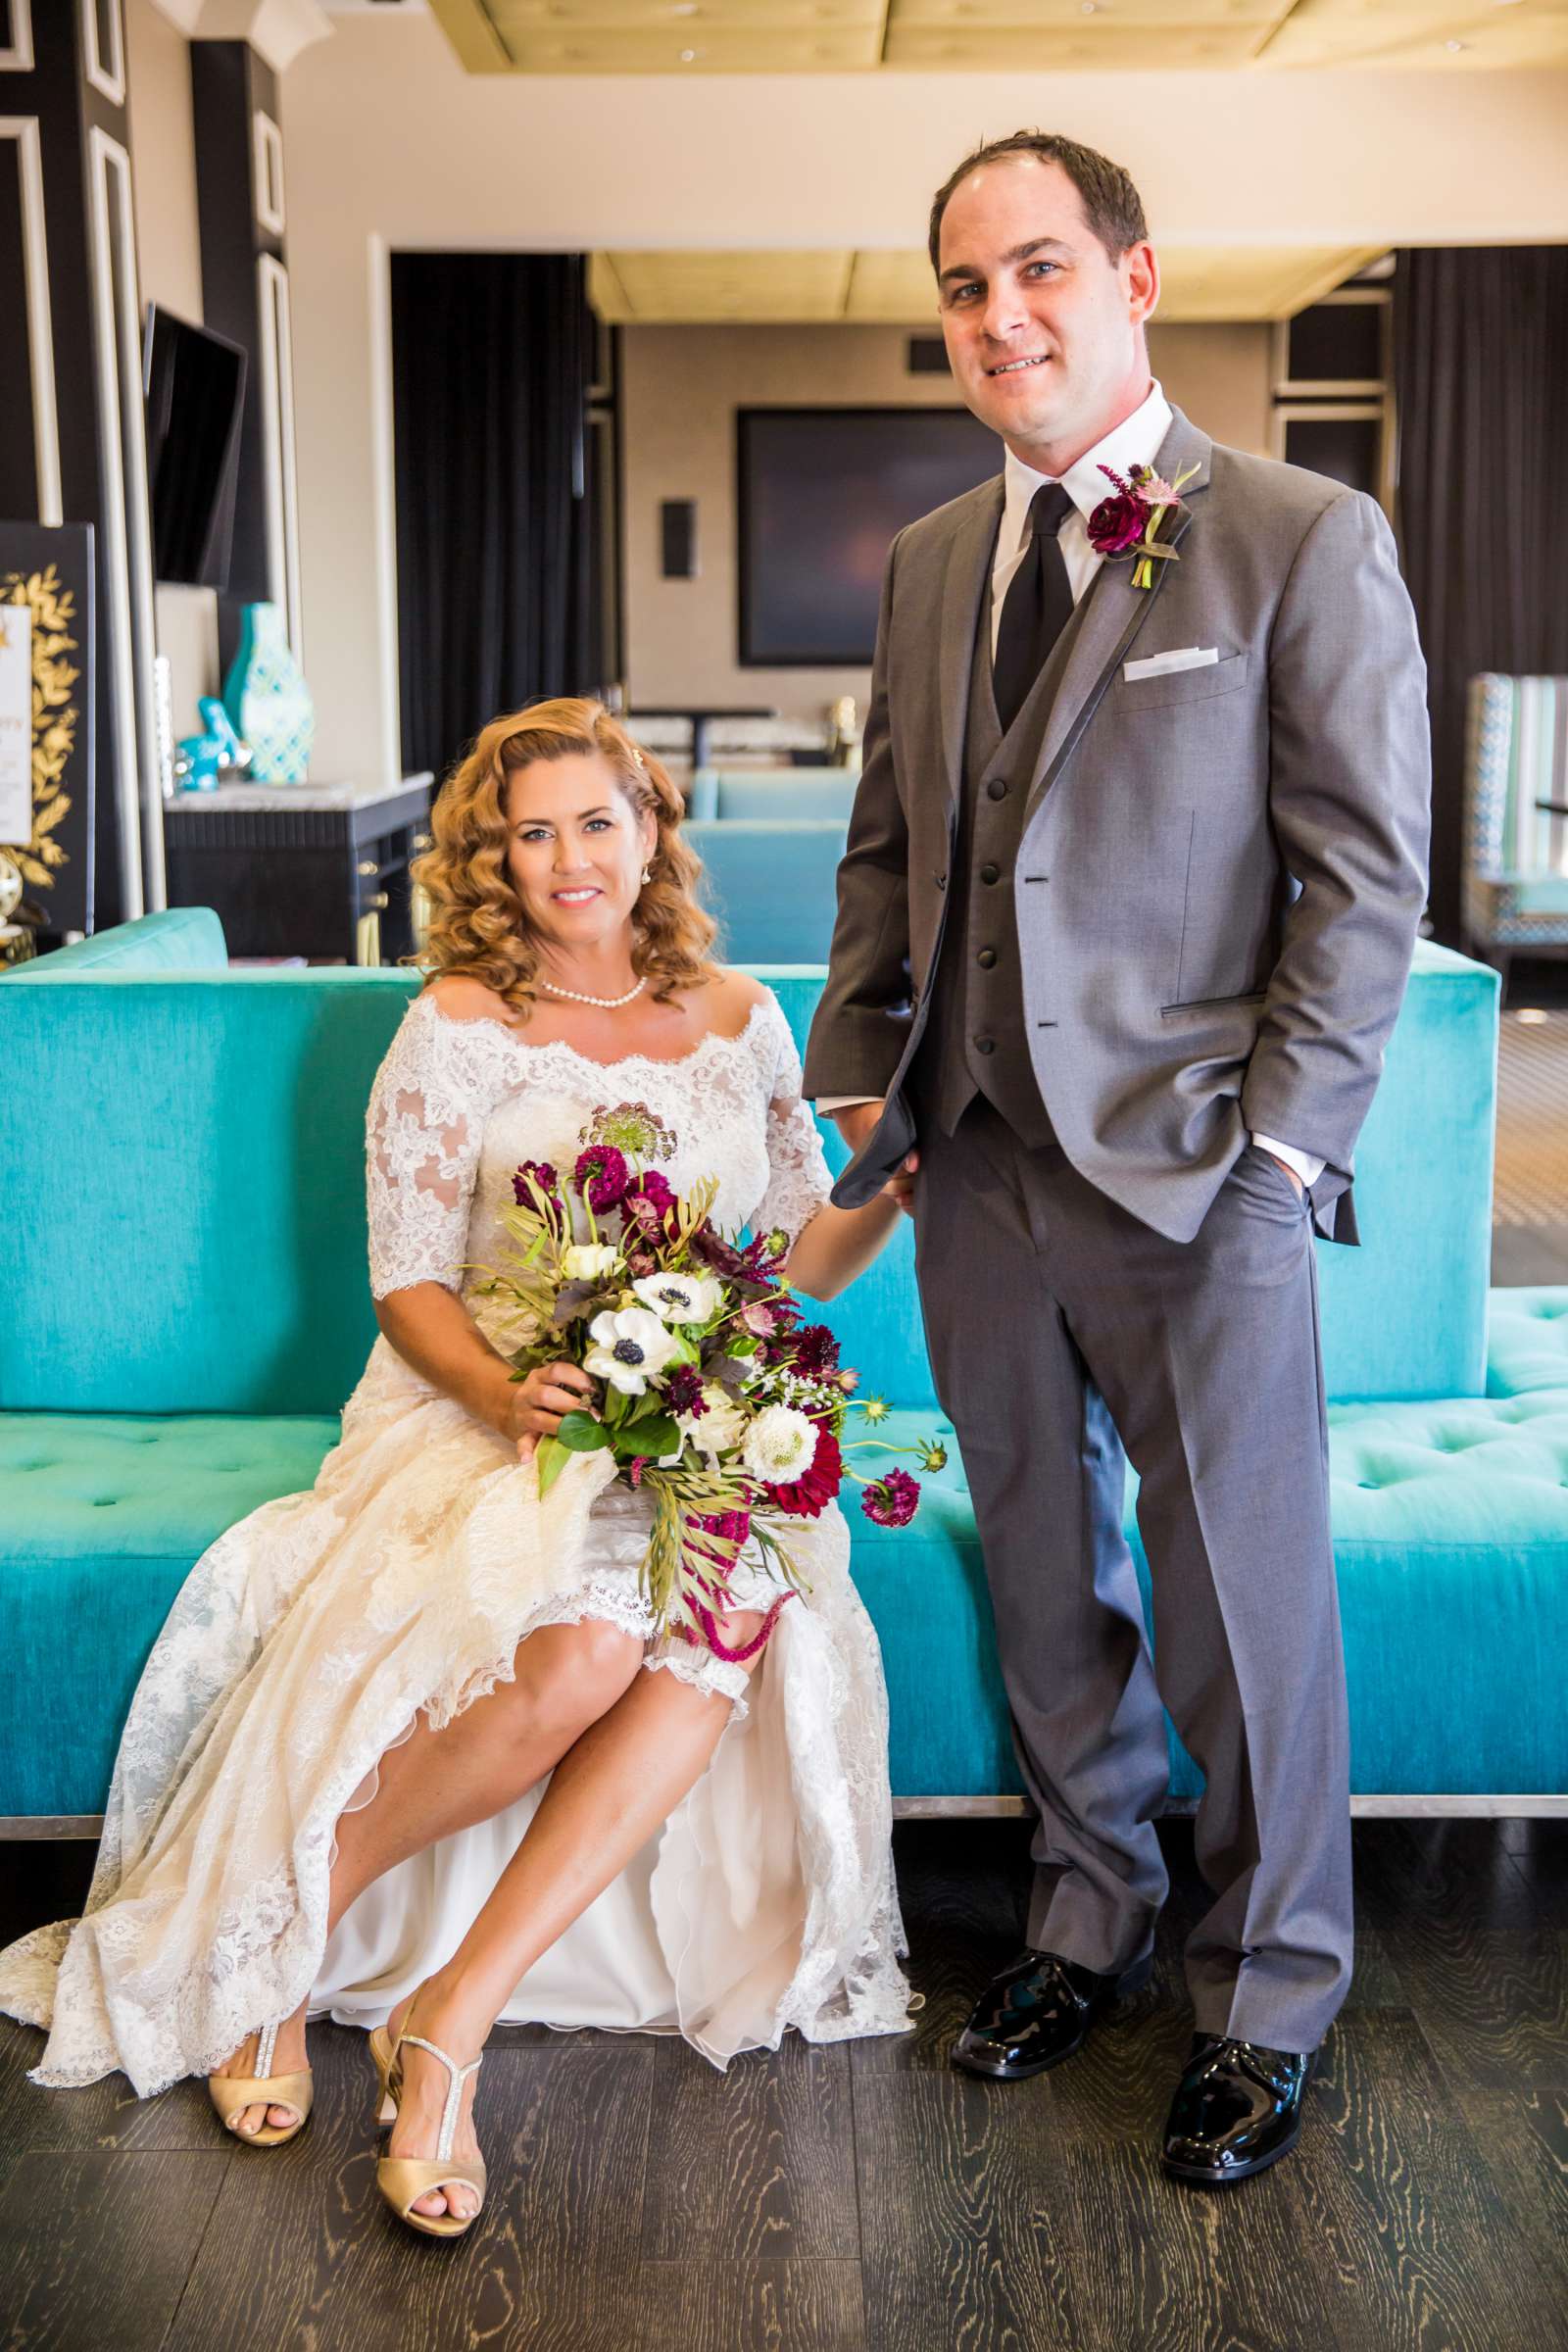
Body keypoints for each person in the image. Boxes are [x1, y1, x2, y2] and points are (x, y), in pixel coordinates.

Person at [0, 700, 914, 2237]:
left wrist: (895, 1175)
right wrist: (513, 1397)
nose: (570, 860)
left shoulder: (745, 1017)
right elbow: (408, 1282)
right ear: (497, 858)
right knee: (581, 1654)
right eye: (532, 832)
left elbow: (799, 1260)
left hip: (688, 1415)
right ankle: (271, 1941)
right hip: (487, 1405)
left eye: (595, 822)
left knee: (718, 1635)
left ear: (648, 827)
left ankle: (451, 2026)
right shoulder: (458, 1024)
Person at [804, 130, 1430, 2186]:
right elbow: (890, 851)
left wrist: (1276, 1155)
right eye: (965, 291)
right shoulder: (923, 566)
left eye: (1039, 269)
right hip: (971, 1162)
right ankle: (1084, 1914)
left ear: (1133, 277)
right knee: (1045, 1580)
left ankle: (1267, 1992)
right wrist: (858, 1076)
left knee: (1241, 1603)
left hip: (1201, 1180)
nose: (1002, 318)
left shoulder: (1288, 534)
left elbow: (1360, 885)